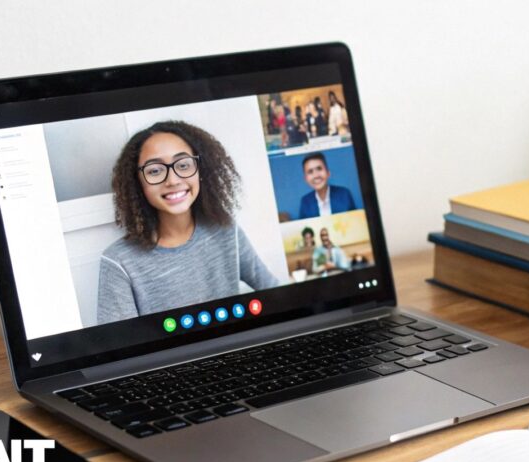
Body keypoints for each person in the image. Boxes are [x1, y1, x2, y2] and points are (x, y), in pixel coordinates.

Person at [97, 120, 278, 323]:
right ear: (137, 182)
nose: (173, 180)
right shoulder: (118, 262)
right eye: (155, 170)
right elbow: (122, 347)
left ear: (201, 170)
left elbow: (275, 293)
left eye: (183, 165)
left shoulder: (226, 230)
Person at [297, 152, 357, 219]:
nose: (316, 175)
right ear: (306, 179)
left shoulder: (344, 194)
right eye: (310, 172)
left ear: (328, 173)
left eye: (319, 169)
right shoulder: (305, 201)